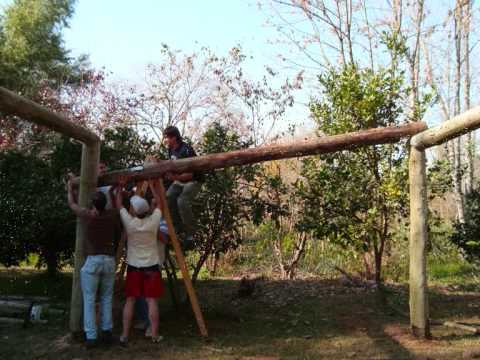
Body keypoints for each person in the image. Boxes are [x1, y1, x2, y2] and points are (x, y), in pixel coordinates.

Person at [67, 177, 122, 348]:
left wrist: (70, 189)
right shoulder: (112, 215)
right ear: (105, 204)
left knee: (89, 299)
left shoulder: (88, 215)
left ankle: (91, 336)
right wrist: (116, 190)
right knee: (106, 297)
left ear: (92, 204)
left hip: (93, 261)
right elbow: (118, 206)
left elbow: (72, 205)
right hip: (109, 261)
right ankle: (107, 332)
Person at [116, 178, 165, 345]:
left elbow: (119, 205)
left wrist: (120, 186)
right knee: (151, 301)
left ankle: (124, 335)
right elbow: (160, 204)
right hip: (151, 267)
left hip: (134, 267)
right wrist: (153, 184)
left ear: (135, 212)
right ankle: (155, 335)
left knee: (130, 300)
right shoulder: (153, 222)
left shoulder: (129, 223)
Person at [163, 126, 203, 250]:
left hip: (193, 180)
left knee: (182, 201)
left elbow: (190, 175)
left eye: (167, 138)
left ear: (174, 137)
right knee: (168, 196)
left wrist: (173, 177)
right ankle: (176, 226)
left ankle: (191, 232)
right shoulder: (170, 149)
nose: (165, 140)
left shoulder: (186, 150)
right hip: (179, 180)